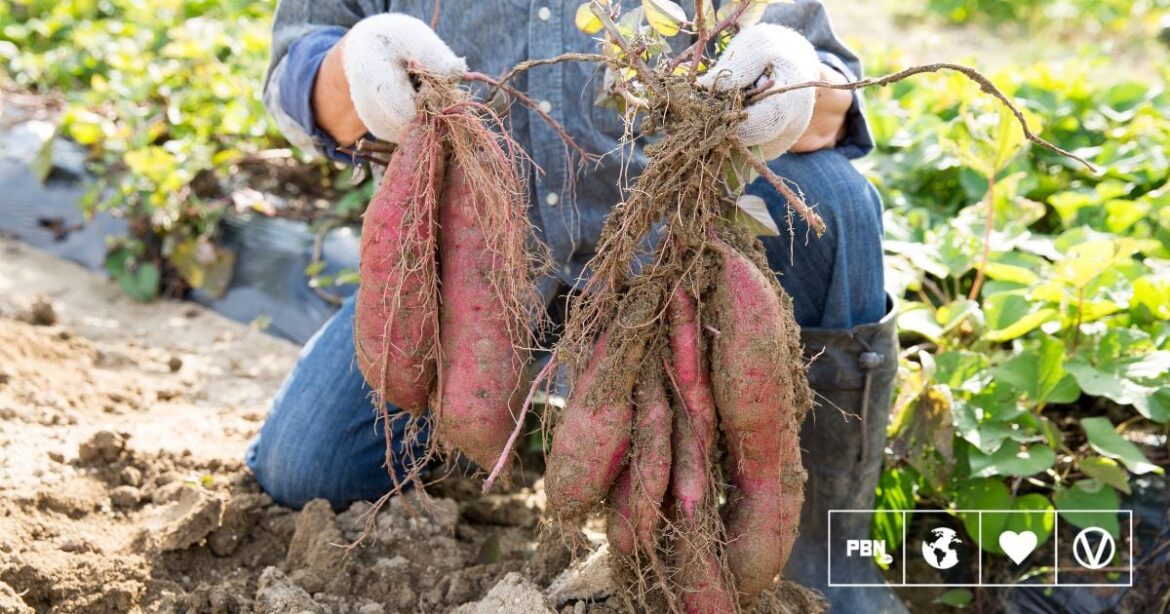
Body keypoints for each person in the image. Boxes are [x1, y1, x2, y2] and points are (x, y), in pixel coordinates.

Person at [250, 1, 902, 611]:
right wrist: (353, 69)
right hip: (471, 273)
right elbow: (294, 73)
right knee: (307, 468)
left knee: (834, 200)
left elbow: (831, 94)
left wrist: (796, 80)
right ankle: (534, 428)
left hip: (672, 263)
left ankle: (827, 549)